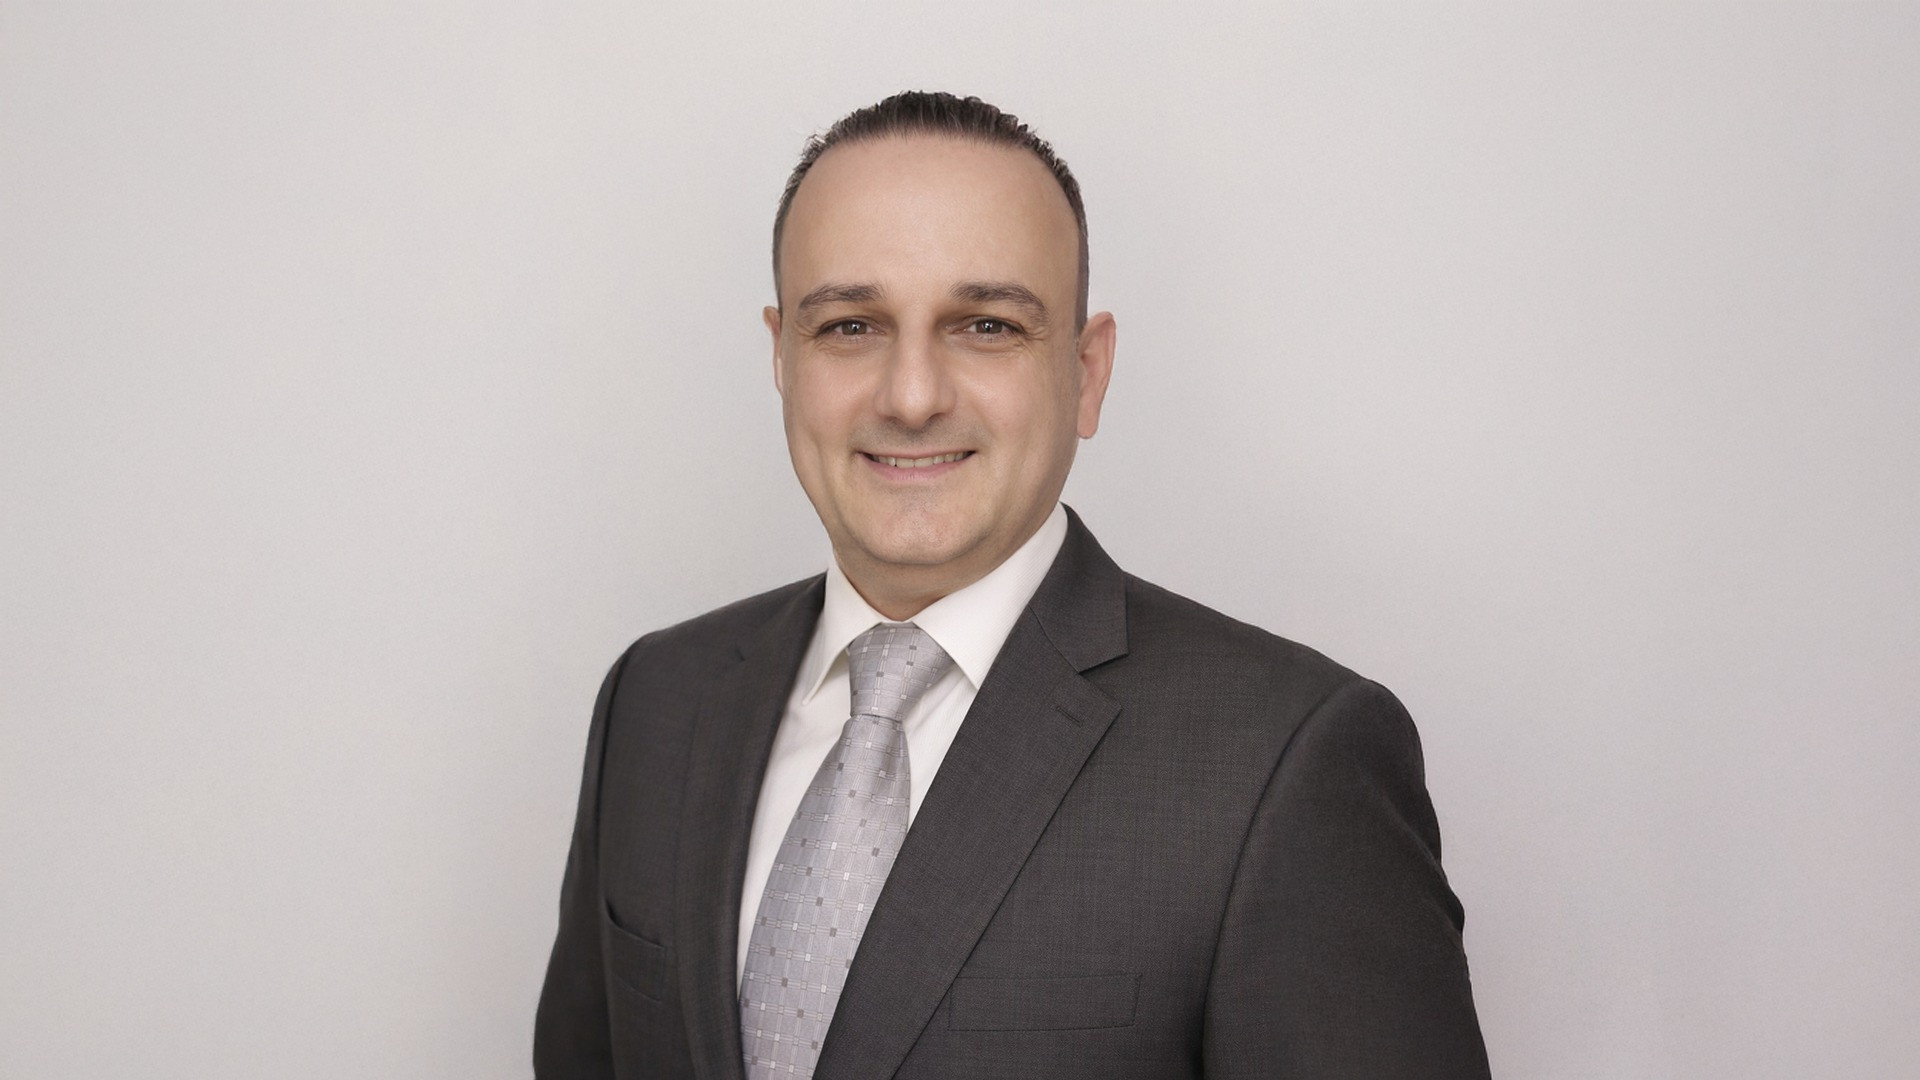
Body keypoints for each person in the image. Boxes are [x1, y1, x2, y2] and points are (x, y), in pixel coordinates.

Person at [533, 90, 1490, 1080]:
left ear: (1086, 373)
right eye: (851, 326)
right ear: (782, 354)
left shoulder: (1288, 763)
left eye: (986, 326)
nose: (912, 396)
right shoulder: (656, 701)